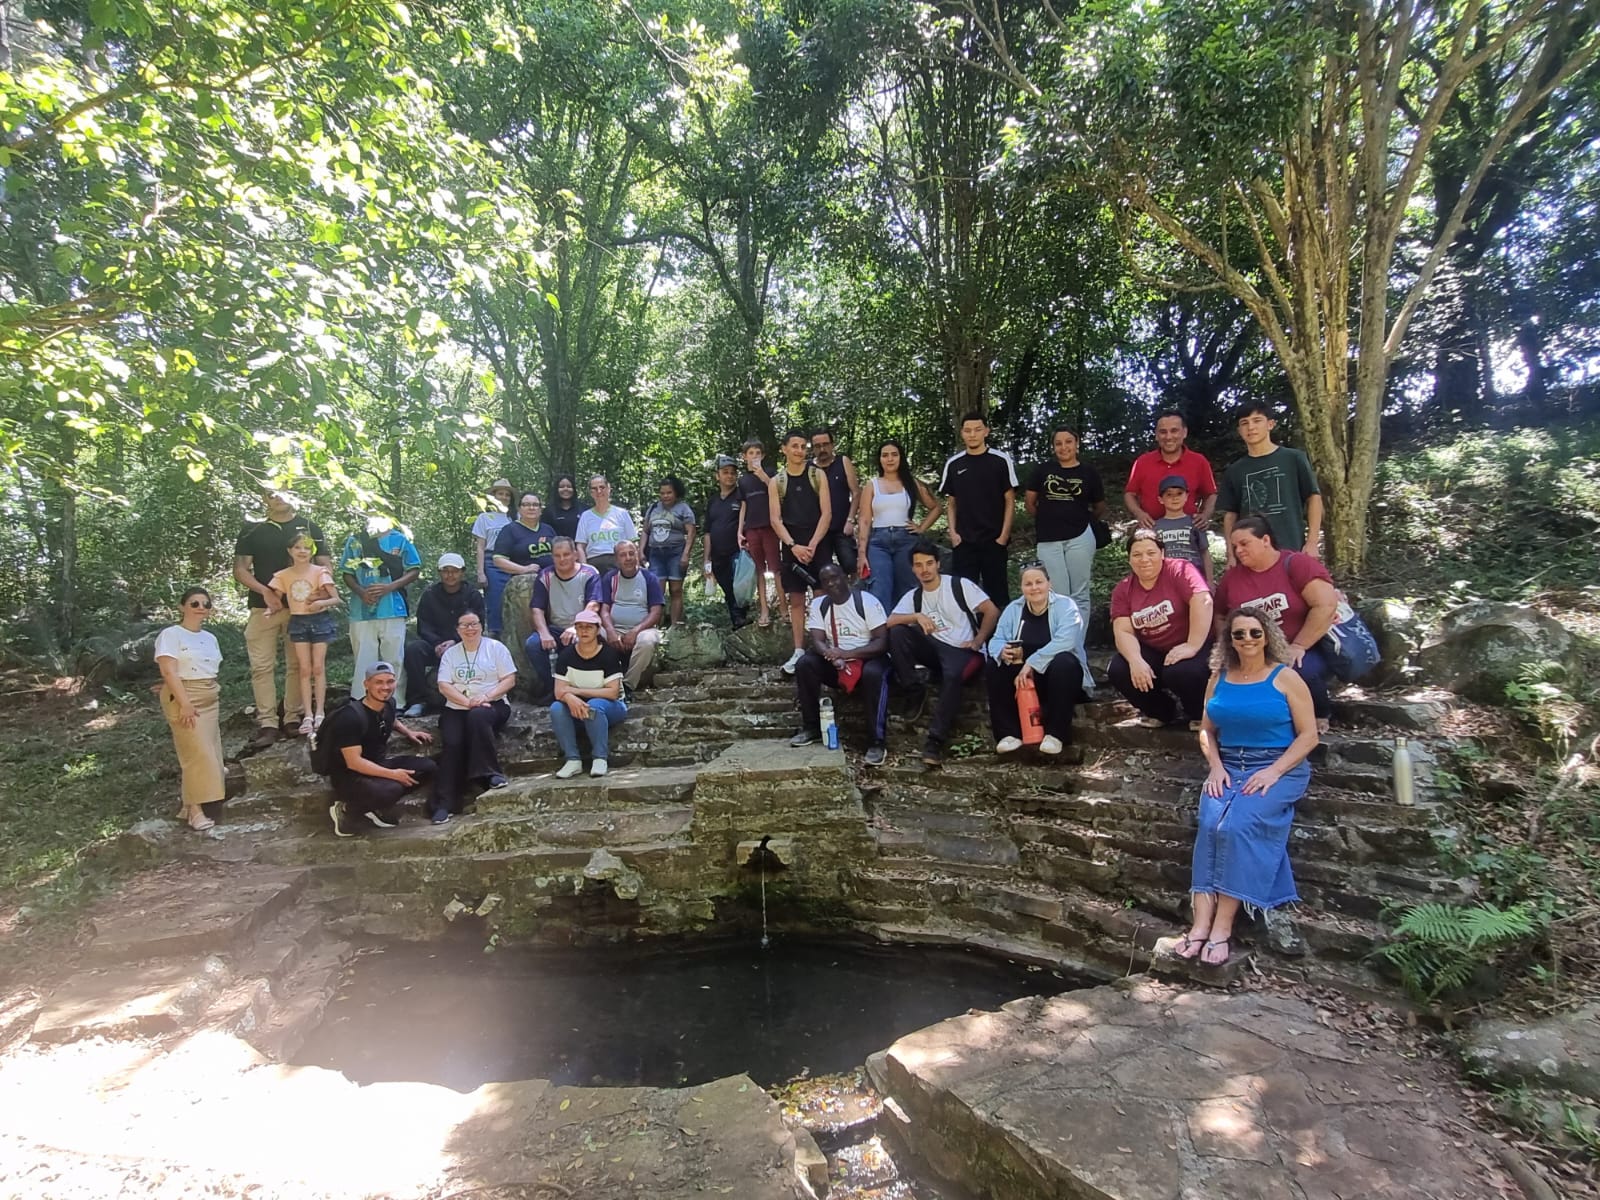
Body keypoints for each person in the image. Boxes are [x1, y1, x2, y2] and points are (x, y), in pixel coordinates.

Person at [1173, 606, 1317, 967]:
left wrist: (1274, 772)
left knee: (1236, 826)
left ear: (1266, 636)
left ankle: (1222, 927)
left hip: (1277, 767)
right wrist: (1215, 766)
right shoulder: (1218, 678)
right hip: (1227, 766)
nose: (1248, 639)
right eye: (1239, 634)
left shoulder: (1286, 678)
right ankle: (1199, 925)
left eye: (1255, 632)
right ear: (1230, 640)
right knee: (1210, 824)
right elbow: (1207, 730)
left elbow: (1309, 736)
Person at [1214, 515, 1339, 731]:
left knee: (1299, 669)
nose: (1238, 551)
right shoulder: (1232, 578)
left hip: (1303, 644)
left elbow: (1325, 605)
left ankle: (1318, 713)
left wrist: (1299, 645)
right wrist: (1228, 646)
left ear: (1265, 540)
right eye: (1235, 546)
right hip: (1252, 649)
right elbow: (1220, 615)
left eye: (1244, 543)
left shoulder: (1297, 564)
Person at [887, 540, 1001, 768]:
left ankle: (935, 741)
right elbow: (889, 622)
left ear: (938, 564)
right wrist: (916, 616)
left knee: (952, 675)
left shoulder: (958, 585)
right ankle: (913, 689)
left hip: (963, 650)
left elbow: (992, 610)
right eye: (918, 565)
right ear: (912, 569)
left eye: (929, 563)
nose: (925, 569)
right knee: (897, 632)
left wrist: (979, 640)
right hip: (934, 650)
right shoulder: (914, 596)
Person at [233, 488, 329, 748]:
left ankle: (292, 717)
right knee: (261, 666)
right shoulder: (253, 529)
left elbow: (325, 566)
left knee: (298, 665)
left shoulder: (309, 526)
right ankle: (267, 723)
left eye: (281, 491)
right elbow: (240, 569)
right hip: (262, 607)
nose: (276, 497)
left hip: (302, 611)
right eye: (270, 493)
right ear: (263, 498)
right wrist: (265, 592)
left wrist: (320, 593)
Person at [1108, 530, 1214, 729]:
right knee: (1119, 669)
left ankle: (1199, 714)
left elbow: (1203, 601)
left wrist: (1192, 645)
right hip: (1156, 650)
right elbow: (1123, 631)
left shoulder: (1180, 569)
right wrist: (1136, 660)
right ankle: (1161, 712)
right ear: (1129, 559)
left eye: (1151, 553)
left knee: (1182, 671)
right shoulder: (1123, 589)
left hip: (1196, 644)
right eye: (1137, 554)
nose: (1144, 559)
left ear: (1162, 553)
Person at [1025, 426, 1103, 692]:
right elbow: (1030, 503)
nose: (1064, 447)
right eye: (1058, 443)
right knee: (1057, 598)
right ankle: (1074, 659)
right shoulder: (1042, 470)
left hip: (1080, 536)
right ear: (1053, 447)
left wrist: (1078, 519)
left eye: (1068, 442)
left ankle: (1073, 650)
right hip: (1048, 539)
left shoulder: (1089, 472)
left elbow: (1099, 506)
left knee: (1080, 595)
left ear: (1077, 443)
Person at [789, 564, 892, 766]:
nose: (831, 584)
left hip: (868, 658)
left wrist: (847, 654)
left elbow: (882, 642)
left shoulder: (866, 601)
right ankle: (811, 727)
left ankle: (876, 742)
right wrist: (829, 653)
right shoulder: (820, 605)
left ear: (845, 577)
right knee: (805, 664)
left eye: (834, 578)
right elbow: (817, 640)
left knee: (874, 674)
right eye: (825, 581)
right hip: (838, 662)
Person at [323, 661, 436, 839]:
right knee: (392, 789)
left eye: (390, 681)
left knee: (428, 768)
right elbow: (354, 762)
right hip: (350, 776)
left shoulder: (389, 703)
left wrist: (409, 732)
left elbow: (390, 719)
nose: (385, 687)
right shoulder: (350, 718)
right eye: (379, 682)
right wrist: (393, 774)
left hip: (378, 764)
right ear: (366, 684)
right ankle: (347, 809)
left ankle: (372, 806)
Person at [984, 563, 1086, 756]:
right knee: (994, 665)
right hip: (1023, 680)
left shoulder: (1066, 606)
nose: (1034, 588)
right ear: (1021, 587)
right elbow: (996, 640)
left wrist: (1032, 662)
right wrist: (1001, 650)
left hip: (1059, 678)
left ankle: (1056, 735)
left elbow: (1067, 640)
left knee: (1064, 662)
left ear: (1049, 583)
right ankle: (1008, 734)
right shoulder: (1013, 609)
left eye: (1039, 582)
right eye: (1028, 584)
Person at [432, 611, 517, 824]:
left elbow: (509, 679)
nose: (470, 629)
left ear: (481, 626)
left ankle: (490, 774)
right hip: (457, 706)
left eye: (474, 624)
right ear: (457, 630)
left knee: (478, 717)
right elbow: (444, 685)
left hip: (492, 703)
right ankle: (444, 804)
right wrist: (467, 702)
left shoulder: (496, 648)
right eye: (464, 625)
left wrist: (485, 697)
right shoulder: (451, 654)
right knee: (453, 743)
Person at [154, 587, 226, 831]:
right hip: (185, 698)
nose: (201, 608)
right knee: (197, 755)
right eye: (195, 603)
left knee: (211, 753)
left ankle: (190, 806)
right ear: (182, 606)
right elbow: (168, 671)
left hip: (209, 698)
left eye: (206, 604)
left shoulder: (210, 638)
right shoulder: (171, 635)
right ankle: (195, 811)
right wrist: (184, 702)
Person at [1217, 401, 1323, 559]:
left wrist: (1312, 542)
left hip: (1292, 548)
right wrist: (1231, 554)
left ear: (1270, 424)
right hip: (1251, 555)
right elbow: (1231, 515)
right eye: (1244, 423)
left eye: (1257, 420)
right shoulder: (1234, 470)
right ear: (1239, 430)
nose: (1251, 427)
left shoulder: (1293, 458)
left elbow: (1313, 497)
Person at [769, 428, 834, 675]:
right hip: (791, 547)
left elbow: (827, 513)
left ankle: (823, 646)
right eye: (794, 446)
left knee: (821, 597)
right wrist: (793, 546)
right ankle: (798, 650)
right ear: (784, 449)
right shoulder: (777, 482)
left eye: (802, 446)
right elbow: (775, 519)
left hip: (818, 543)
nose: (799, 451)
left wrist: (813, 544)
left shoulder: (817, 475)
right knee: (796, 599)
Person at [339, 517, 422, 709]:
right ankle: (362, 703)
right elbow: (347, 573)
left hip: (393, 606)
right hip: (362, 610)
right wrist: (361, 592)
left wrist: (390, 587)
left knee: (394, 658)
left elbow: (414, 569)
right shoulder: (356, 540)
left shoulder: (400, 539)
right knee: (363, 658)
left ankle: (395, 703)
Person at [939, 411, 1018, 606]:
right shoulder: (954, 464)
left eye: (977, 429)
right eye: (968, 430)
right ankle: (970, 628)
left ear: (986, 431)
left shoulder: (1000, 460)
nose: (972, 434)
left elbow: (1010, 500)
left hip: (994, 541)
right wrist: (953, 534)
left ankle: (998, 627)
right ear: (961, 433)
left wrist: (1003, 536)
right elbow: (951, 503)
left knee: (997, 596)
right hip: (964, 542)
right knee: (963, 597)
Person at [267, 531, 341, 736]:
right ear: (290, 550)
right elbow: (275, 598)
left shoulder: (320, 572)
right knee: (304, 669)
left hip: (319, 621)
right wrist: (270, 609)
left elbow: (336, 598)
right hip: (297, 621)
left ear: (312, 551)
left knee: (318, 667)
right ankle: (307, 714)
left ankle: (320, 712)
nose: (302, 551)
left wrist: (320, 603)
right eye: (298, 547)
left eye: (307, 548)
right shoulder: (283, 575)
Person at [858, 439, 943, 616]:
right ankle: (882, 630)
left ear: (901, 457)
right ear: (879, 459)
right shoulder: (872, 485)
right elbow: (864, 520)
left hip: (906, 540)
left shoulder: (911, 483)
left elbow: (936, 507)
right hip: (878, 542)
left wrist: (921, 527)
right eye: (885, 455)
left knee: (908, 587)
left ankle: (907, 628)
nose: (890, 459)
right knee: (880, 588)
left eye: (894, 455)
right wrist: (862, 553)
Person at [401, 552, 488, 716]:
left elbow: (478, 624)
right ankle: (417, 701)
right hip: (436, 647)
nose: (450, 575)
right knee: (414, 650)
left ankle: (474, 697)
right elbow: (423, 626)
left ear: (462, 572)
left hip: (464, 645)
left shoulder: (472, 595)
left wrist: (455, 641)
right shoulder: (430, 594)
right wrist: (436, 643)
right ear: (439, 573)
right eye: (445, 571)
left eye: (454, 571)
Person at [550, 610, 628, 779]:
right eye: (580, 627)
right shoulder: (566, 655)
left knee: (593, 706)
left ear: (598, 630)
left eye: (589, 627)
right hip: (576, 707)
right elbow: (559, 691)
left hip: (610, 706)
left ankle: (600, 758)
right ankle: (572, 760)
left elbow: (612, 692)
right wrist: (569, 697)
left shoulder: (608, 654)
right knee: (557, 708)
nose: (584, 631)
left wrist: (576, 691)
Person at [522, 537, 601, 700]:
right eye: (557, 555)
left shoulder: (589, 573)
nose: (562, 559)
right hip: (555, 628)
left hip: (583, 626)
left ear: (575, 554)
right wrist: (544, 633)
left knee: (585, 641)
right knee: (533, 644)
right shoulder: (546, 575)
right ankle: (553, 688)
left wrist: (576, 627)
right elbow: (537, 608)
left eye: (566, 554)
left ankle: (581, 689)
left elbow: (593, 605)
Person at [1124, 410, 1218, 528]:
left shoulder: (1199, 461)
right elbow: (1130, 494)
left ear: (1184, 432)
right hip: (1151, 530)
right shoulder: (1142, 462)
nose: (1168, 437)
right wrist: (1139, 514)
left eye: (1174, 431)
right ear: (1156, 435)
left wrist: (1205, 515)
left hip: (1188, 530)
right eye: (1163, 432)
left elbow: (1210, 494)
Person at [598, 540, 664, 693]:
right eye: (623, 555)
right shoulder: (610, 578)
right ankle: (603, 681)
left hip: (642, 629)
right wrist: (610, 631)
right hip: (615, 628)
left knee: (647, 641)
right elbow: (604, 610)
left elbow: (656, 612)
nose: (628, 558)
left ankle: (627, 686)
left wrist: (635, 631)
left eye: (631, 553)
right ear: (616, 559)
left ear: (637, 555)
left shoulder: (649, 578)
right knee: (594, 634)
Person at [491, 492, 558, 623]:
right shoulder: (510, 530)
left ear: (540, 509)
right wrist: (524, 569)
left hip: (553, 581)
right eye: (526, 504)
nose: (531, 508)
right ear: (519, 508)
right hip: (525, 585)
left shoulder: (548, 529)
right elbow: (498, 560)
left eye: (535, 505)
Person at [640, 475, 697, 627]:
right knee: (657, 591)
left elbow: (691, 532)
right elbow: (645, 531)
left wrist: (686, 554)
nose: (665, 496)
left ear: (676, 493)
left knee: (676, 590)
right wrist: (641, 551)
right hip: (656, 553)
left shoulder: (683, 508)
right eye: (662, 493)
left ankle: (675, 626)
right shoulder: (653, 508)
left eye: (669, 492)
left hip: (676, 552)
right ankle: (655, 626)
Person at [736, 437, 780, 629]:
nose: (754, 456)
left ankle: (784, 610)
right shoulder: (743, 481)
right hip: (752, 529)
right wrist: (740, 531)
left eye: (758, 453)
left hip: (770, 527)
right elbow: (743, 506)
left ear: (763, 456)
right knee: (759, 570)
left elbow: (777, 491)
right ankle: (764, 610)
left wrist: (762, 474)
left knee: (776, 569)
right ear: (744, 457)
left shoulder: (770, 473)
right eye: (751, 453)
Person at [702, 455, 748, 628]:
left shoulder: (741, 497)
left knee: (739, 586)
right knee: (727, 587)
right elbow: (707, 531)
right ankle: (736, 621)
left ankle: (741, 619)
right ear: (717, 476)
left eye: (733, 473)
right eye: (725, 472)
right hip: (717, 554)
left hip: (738, 551)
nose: (729, 476)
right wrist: (707, 558)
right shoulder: (713, 501)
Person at [810, 426, 859, 576]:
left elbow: (856, 492)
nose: (822, 449)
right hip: (818, 529)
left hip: (842, 526)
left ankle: (854, 590)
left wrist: (851, 520)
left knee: (851, 565)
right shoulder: (809, 468)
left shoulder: (843, 462)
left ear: (832, 445)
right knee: (823, 571)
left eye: (825, 444)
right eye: (817, 446)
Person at [473, 478, 515, 637]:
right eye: (500, 494)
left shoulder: (514, 517)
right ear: (493, 496)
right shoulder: (484, 518)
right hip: (492, 562)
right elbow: (480, 547)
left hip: (513, 561)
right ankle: (495, 635)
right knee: (495, 601)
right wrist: (480, 572)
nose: (504, 497)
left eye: (507, 494)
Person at [1151, 476, 1211, 583]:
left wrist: (1210, 582)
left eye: (1179, 493)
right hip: (1166, 579)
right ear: (1160, 499)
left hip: (1194, 578)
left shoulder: (1196, 522)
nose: (1175, 498)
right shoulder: (1155, 526)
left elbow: (1205, 553)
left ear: (1186, 496)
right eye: (1169, 494)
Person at [575, 474, 637, 575]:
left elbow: (633, 542)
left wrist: (635, 566)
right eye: (594, 488)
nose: (599, 491)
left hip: (619, 562)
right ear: (591, 493)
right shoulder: (585, 516)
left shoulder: (622, 513)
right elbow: (580, 546)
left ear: (608, 488)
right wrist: (585, 570)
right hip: (594, 564)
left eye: (602, 487)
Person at [545, 473, 587, 542]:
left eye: (569, 486)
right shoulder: (548, 511)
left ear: (573, 489)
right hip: (557, 548)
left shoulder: (584, 509)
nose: (565, 489)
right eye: (561, 487)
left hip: (580, 547)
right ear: (557, 489)